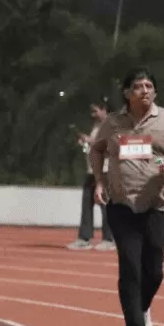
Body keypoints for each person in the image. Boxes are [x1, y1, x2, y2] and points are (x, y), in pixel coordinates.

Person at [90, 70, 164, 326]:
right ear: (127, 93)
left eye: (149, 86)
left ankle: (142, 307)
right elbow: (96, 150)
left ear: (155, 92)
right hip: (121, 205)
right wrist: (99, 180)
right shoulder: (113, 123)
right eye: (138, 86)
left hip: (156, 205)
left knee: (154, 272)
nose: (144, 90)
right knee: (130, 267)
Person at [67, 99, 115, 251]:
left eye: (95, 111)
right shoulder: (96, 126)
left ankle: (110, 239)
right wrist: (86, 143)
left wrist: (89, 140)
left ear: (104, 109)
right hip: (92, 171)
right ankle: (84, 238)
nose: (93, 114)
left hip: (106, 171)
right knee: (86, 203)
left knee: (105, 206)